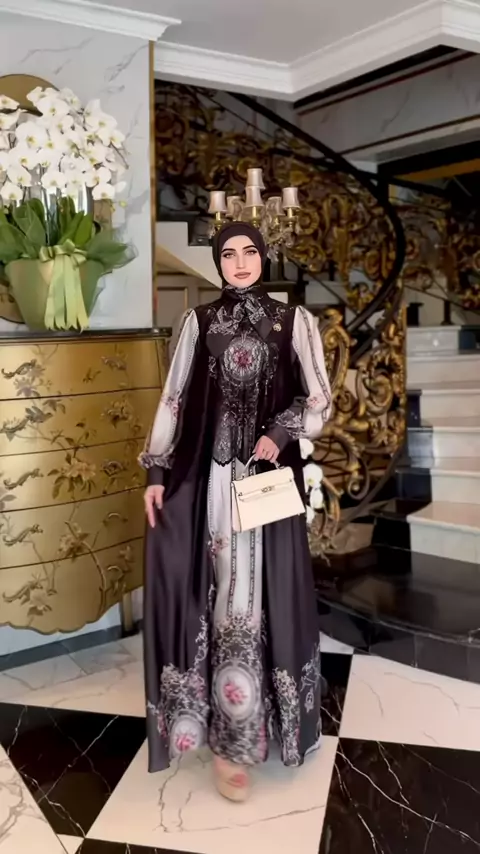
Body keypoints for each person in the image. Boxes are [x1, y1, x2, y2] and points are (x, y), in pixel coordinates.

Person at [140, 222, 332, 802]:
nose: (241, 261)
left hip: (269, 484)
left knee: (268, 595)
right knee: (228, 597)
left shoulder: (293, 321)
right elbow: (174, 400)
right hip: (213, 484)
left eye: (250, 251)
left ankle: (274, 724)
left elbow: (319, 398)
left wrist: (282, 430)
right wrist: (156, 472)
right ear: (218, 262)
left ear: (264, 257)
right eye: (229, 253)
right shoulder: (197, 324)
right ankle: (231, 741)